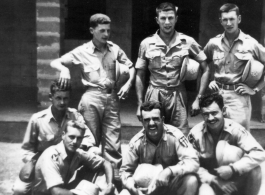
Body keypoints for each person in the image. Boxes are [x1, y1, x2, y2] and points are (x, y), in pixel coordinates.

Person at [50, 13, 135, 172]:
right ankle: (87, 179)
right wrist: (64, 70)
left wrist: (128, 84)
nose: (106, 34)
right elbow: (56, 62)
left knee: (113, 143)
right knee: (88, 142)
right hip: (91, 98)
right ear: (91, 30)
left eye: (108, 31)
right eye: (102, 30)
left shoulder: (115, 49)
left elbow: (131, 67)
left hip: (112, 98)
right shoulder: (83, 51)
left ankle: (113, 180)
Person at [135, 2, 209, 135]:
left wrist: (199, 98)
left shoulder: (187, 41)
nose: (167, 22)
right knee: (153, 133)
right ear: (157, 20)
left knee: (180, 135)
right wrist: (140, 103)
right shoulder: (146, 44)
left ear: (176, 19)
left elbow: (206, 69)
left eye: (170, 18)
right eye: (163, 18)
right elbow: (140, 74)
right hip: (154, 93)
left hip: (178, 94)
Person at [13, 80, 97, 195]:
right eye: (58, 98)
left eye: (65, 98)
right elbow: (26, 149)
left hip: (66, 163)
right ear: (50, 97)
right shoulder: (38, 119)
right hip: (41, 165)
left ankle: (80, 182)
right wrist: (34, 161)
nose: (62, 102)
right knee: (19, 189)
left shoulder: (75, 116)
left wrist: (73, 146)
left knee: (95, 152)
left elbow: (89, 139)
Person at [188, 93, 265, 195]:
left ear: (223, 111)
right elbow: (188, 162)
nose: (210, 118)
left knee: (255, 171)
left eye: (214, 113)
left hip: (232, 176)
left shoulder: (235, 129)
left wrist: (234, 168)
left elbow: (259, 152)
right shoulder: (195, 134)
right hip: (208, 179)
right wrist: (213, 179)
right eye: (206, 114)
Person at [204, 3, 265, 130]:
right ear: (220, 21)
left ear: (239, 19)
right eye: (225, 20)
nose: (228, 23)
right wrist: (210, 81)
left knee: (239, 137)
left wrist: (255, 89)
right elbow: (203, 64)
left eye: (232, 19)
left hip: (238, 98)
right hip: (216, 96)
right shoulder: (213, 43)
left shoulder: (251, 43)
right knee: (215, 136)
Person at [120, 101, 199, 195]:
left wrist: (169, 171)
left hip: (170, 186)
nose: (151, 123)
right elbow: (125, 172)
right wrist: (133, 188)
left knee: (191, 181)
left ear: (162, 119)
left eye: (155, 119)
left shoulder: (175, 136)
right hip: (146, 189)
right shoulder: (136, 142)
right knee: (124, 193)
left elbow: (193, 161)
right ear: (142, 121)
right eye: (147, 120)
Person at [31, 120, 115, 195]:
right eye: (71, 137)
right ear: (63, 135)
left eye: (79, 138)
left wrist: (110, 184)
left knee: (99, 171)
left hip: (63, 189)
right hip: (46, 193)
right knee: (90, 190)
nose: (75, 142)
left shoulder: (77, 153)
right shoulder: (51, 156)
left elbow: (105, 163)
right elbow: (56, 192)